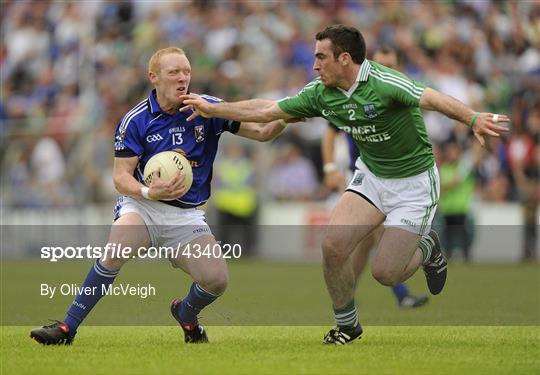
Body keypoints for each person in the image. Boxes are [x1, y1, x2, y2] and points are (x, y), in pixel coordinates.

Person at [179, 24, 510, 345]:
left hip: (414, 185)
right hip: (373, 177)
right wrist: (215, 109)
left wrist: (473, 118)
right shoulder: (320, 93)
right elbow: (268, 110)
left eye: (321, 57)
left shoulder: (384, 82)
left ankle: (427, 247)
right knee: (333, 246)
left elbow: (433, 98)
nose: (314, 65)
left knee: (386, 273)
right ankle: (347, 325)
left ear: (345, 59)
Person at [30, 47, 291, 345]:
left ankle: (186, 315)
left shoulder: (206, 108)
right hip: (144, 206)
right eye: (174, 72)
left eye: (187, 72)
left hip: (186, 215)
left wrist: (286, 117)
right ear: (154, 77)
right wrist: (147, 191)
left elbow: (262, 132)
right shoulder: (136, 120)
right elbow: (120, 177)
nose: (183, 78)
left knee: (216, 280)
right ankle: (66, 328)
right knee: (116, 249)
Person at [322, 47, 429, 308]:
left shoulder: (400, 93)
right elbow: (330, 131)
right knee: (376, 237)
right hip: (363, 177)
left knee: (366, 244)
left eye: (391, 64)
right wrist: (329, 168)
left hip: (394, 177)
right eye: (381, 64)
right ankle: (400, 295)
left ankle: (349, 296)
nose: (385, 69)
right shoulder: (356, 93)